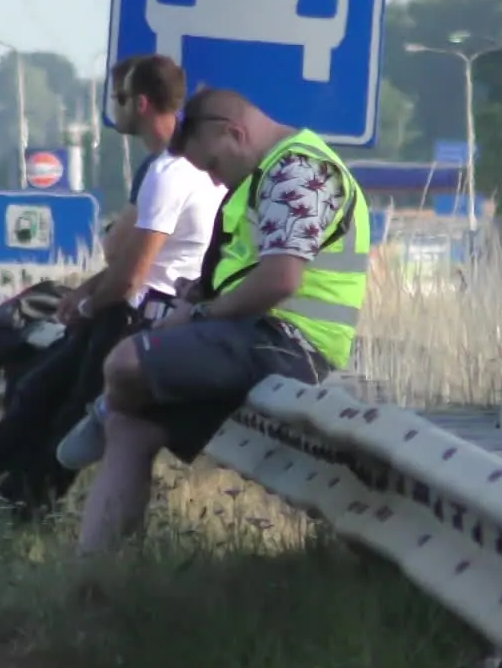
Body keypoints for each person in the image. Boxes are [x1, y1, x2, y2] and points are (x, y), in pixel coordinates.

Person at [0, 53, 222, 521]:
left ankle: (19, 505)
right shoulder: (171, 170)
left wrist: (88, 304)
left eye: (121, 98)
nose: (116, 108)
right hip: (128, 308)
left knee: (69, 411)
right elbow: (129, 262)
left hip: (135, 319)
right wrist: (84, 291)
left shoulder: (170, 174)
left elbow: (133, 273)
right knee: (36, 392)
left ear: (143, 104)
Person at [57, 87, 372, 555]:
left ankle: (102, 410)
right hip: (254, 333)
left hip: (290, 343)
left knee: (124, 364)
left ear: (234, 132)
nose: (216, 180)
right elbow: (249, 270)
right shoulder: (263, 175)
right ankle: (88, 580)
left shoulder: (298, 172)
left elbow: (281, 279)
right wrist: (201, 298)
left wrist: (200, 314)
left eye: (212, 166)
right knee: (133, 425)